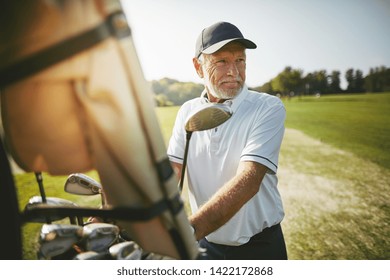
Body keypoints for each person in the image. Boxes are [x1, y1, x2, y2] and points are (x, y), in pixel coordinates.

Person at [167, 21, 287, 260]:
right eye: (221, 61)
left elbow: (248, 181)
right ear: (198, 67)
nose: (234, 71)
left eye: (240, 60)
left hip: (260, 247)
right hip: (204, 243)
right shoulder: (187, 110)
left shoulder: (267, 107)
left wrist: (189, 230)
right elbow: (173, 170)